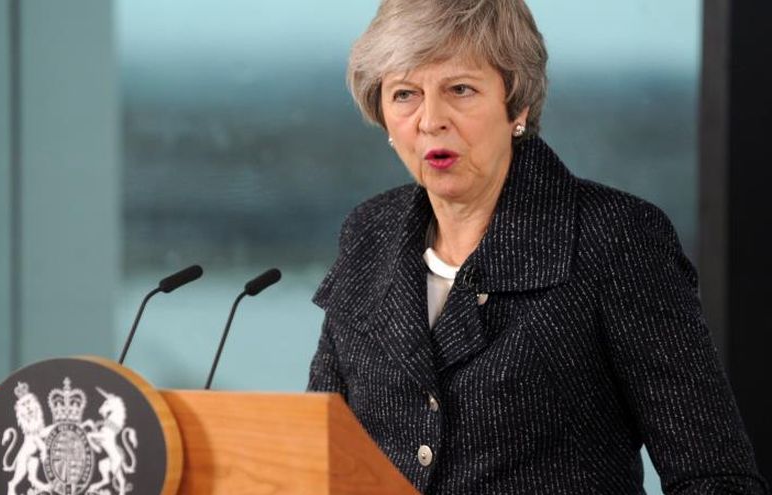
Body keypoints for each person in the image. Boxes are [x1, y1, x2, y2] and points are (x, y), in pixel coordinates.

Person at [307, 0, 768, 493]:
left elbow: (717, 478)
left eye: (460, 90)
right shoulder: (369, 233)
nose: (431, 119)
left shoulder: (614, 238)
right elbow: (310, 457)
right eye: (405, 94)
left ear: (517, 104)